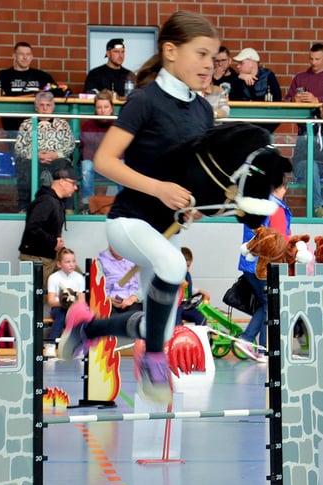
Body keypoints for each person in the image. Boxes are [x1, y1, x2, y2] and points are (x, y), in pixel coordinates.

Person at [60, 11, 223, 404]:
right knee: (173, 267)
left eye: (214, 57)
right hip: (128, 223)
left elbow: (194, 176)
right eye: (201, 54)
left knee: (158, 326)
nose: (210, 64)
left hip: (165, 231)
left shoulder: (202, 110)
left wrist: (194, 204)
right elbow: (105, 162)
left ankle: (88, 328)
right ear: (169, 51)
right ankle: (152, 359)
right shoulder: (144, 101)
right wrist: (160, 189)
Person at [235, 175, 293, 363]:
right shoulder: (275, 208)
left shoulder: (257, 204)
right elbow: (279, 240)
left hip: (250, 263)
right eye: (285, 188)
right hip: (264, 266)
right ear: (279, 188)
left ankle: (257, 345)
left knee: (266, 302)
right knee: (271, 304)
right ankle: (256, 344)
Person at [14, 91, 76, 212]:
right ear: (36, 107)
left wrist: (56, 155)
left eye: (48, 105)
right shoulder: (27, 124)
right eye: (41, 105)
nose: (45, 108)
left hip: (57, 158)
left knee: (64, 169)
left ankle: (68, 208)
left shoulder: (62, 124)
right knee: (24, 168)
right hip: (34, 159)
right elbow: (19, 147)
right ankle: (24, 208)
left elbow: (70, 145)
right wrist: (35, 154)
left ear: (53, 106)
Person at [18, 158, 75, 289]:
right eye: (73, 183)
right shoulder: (46, 202)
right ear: (62, 182)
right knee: (38, 298)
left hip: (49, 257)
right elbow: (33, 227)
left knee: (76, 283)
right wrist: (53, 242)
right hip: (38, 259)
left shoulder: (54, 201)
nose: (75, 187)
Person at [0, 41, 60, 133]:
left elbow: (59, 91)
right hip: (12, 125)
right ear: (14, 56)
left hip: (38, 126)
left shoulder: (42, 76)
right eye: (21, 54)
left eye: (28, 54)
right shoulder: (4, 75)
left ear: (32, 57)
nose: (25, 57)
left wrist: (43, 94)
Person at [45, 247, 84, 358]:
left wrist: (74, 303)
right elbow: (51, 301)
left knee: (80, 317)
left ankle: (79, 345)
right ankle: (51, 344)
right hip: (59, 308)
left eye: (73, 261)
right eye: (67, 262)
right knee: (62, 316)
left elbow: (82, 298)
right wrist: (64, 302)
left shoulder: (79, 278)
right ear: (59, 264)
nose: (71, 264)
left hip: (75, 308)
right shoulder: (53, 278)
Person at [80, 90, 115, 211]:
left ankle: (123, 203)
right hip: (94, 161)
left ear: (111, 109)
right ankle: (87, 204)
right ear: (95, 109)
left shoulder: (117, 125)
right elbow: (87, 151)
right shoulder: (88, 125)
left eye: (106, 107)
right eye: (99, 107)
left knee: (124, 164)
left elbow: (120, 150)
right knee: (86, 166)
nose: (103, 110)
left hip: (113, 161)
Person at [98, 246, 142, 314]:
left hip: (135, 301)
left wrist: (134, 298)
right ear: (109, 247)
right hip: (111, 304)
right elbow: (98, 290)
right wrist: (109, 299)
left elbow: (147, 285)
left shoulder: (137, 259)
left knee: (136, 316)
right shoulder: (100, 262)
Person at [177, 246, 208, 326]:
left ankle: (201, 336)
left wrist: (199, 291)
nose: (187, 269)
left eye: (189, 266)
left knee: (201, 316)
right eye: (186, 266)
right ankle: (179, 336)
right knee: (177, 322)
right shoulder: (172, 275)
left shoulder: (187, 275)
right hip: (175, 307)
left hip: (186, 305)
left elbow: (188, 289)